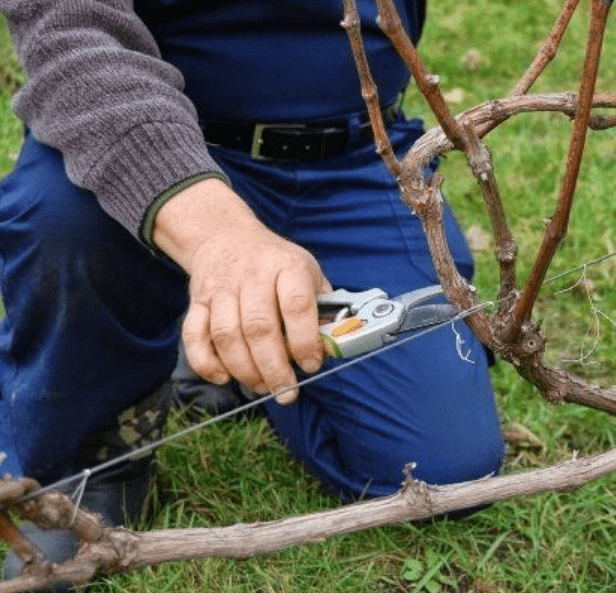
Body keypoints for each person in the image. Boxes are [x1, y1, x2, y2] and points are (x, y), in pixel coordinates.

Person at [0, 0, 505, 585]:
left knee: (447, 474)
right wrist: (218, 235)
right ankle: (86, 460)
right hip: (147, 140)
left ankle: (229, 343)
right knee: (64, 221)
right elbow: (71, 38)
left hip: (356, 159)